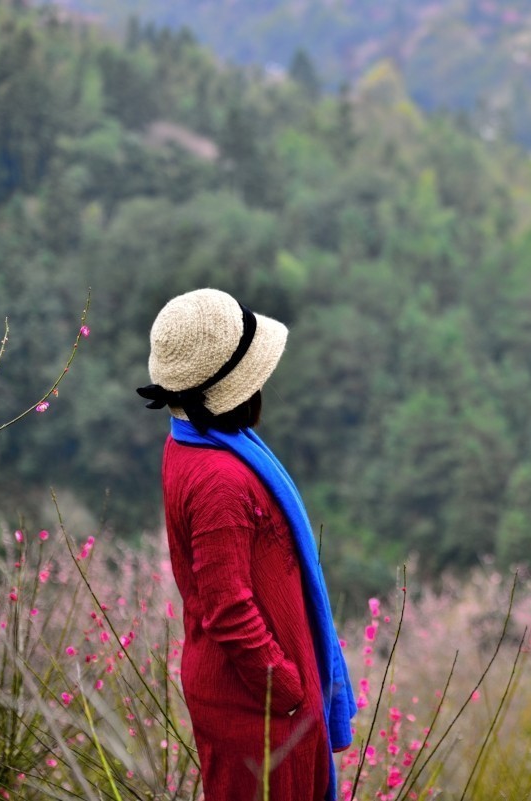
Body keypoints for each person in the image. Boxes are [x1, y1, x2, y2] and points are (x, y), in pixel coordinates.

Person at [138, 288, 355, 800]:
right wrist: (284, 686)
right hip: (255, 710)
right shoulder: (220, 479)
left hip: (259, 701)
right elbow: (227, 605)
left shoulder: (193, 443)